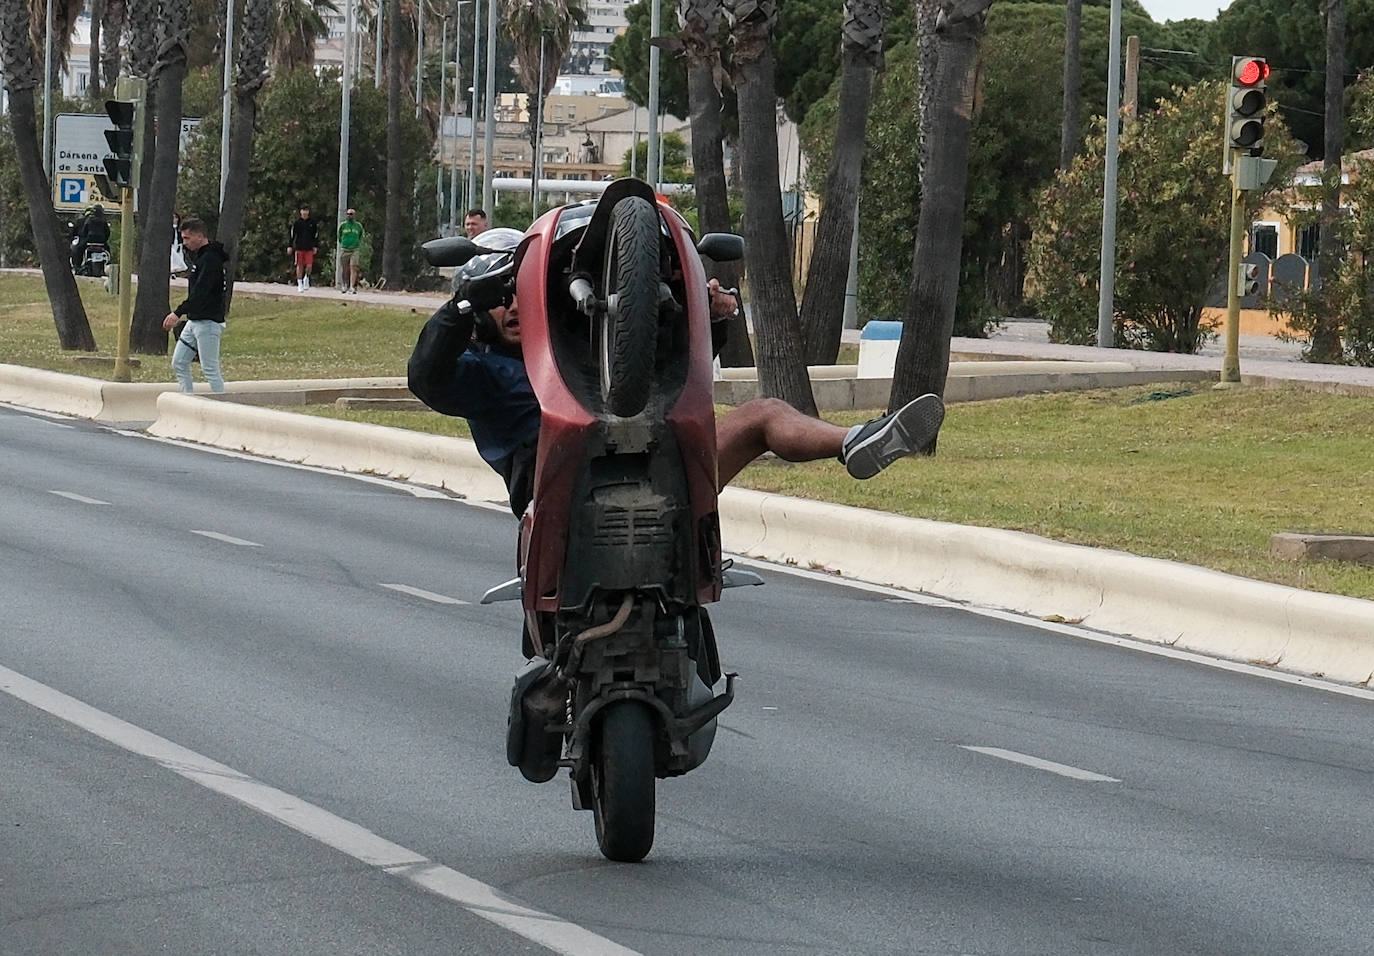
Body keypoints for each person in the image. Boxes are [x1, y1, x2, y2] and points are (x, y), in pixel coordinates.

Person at [407, 227, 945, 519]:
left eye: (519, 291)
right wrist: (459, 307)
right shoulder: (478, 372)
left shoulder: (586, 348)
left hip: (660, 467)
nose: (511, 305)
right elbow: (425, 377)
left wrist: (707, 312)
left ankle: (855, 440)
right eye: (498, 297)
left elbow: (669, 371)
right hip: (560, 492)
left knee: (764, 413)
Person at [162, 218, 229, 393]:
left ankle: (221, 404)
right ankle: (188, 398)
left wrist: (177, 313)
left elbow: (200, 292)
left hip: (208, 322)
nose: (184, 243)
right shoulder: (201, 257)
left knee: (210, 368)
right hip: (195, 320)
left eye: (187, 238)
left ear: (200, 236)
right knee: (179, 362)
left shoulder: (211, 259)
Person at [288, 203, 319, 291]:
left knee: (309, 266)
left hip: (309, 247)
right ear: (300, 212)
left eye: (306, 210)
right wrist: (290, 246)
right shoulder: (297, 223)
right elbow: (292, 235)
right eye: (303, 210)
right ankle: (300, 283)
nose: (305, 212)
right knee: (299, 265)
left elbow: (316, 235)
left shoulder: (312, 223)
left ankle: (306, 278)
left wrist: (315, 246)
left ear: (308, 212)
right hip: (299, 247)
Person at [72, 205, 110, 272]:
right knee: (108, 249)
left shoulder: (89, 220)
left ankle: (78, 266)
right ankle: (109, 264)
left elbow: (84, 231)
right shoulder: (104, 221)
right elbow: (107, 232)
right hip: (101, 242)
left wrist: (85, 237)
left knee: (79, 249)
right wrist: (104, 240)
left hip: (89, 240)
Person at [337, 207, 365, 294]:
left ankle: (352, 286)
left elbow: (361, 236)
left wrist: (357, 244)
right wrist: (343, 244)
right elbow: (339, 236)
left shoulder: (358, 226)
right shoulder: (343, 225)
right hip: (345, 249)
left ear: (354, 215)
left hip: (354, 249)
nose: (349, 216)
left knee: (353, 267)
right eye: (348, 214)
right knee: (344, 268)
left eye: (351, 214)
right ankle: (344, 284)